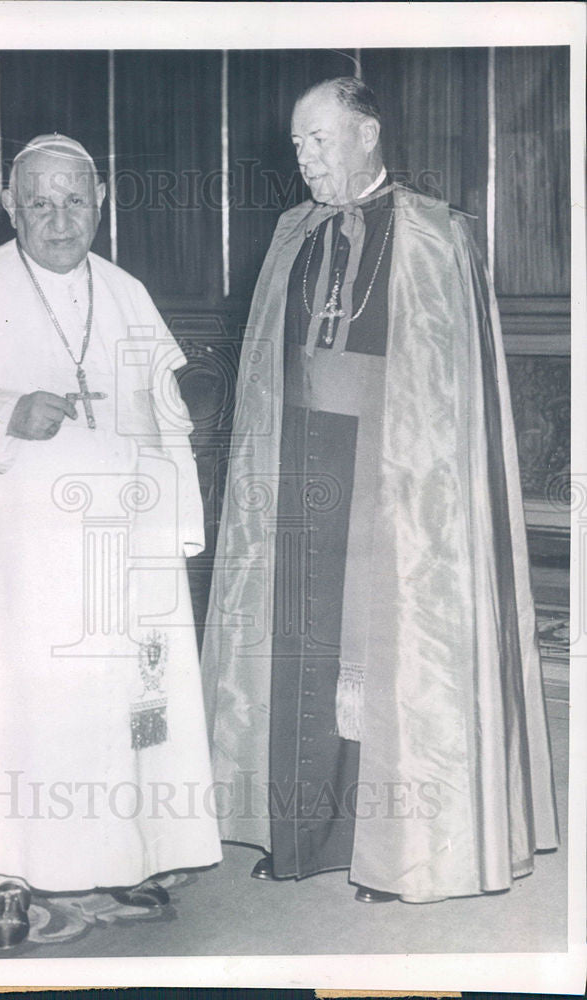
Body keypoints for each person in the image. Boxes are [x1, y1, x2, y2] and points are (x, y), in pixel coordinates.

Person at [200, 78, 559, 904]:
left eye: (317, 141)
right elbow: (263, 367)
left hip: (396, 476)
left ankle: (394, 847)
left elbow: (452, 393)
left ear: (365, 135)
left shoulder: (437, 235)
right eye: (296, 144)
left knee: (386, 653)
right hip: (301, 468)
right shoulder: (292, 233)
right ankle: (301, 833)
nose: (303, 159)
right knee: (301, 650)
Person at [0, 133, 221, 947]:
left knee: (116, 708)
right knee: (17, 709)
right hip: (11, 556)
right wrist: (3, 411)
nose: (59, 218)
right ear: (10, 204)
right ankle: (8, 874)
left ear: (100, 200)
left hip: (116, 552)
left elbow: (168, 420)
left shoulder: (128, 293)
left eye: (75, 200)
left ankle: (125, 853)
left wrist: (177, 532)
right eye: (39, 201)